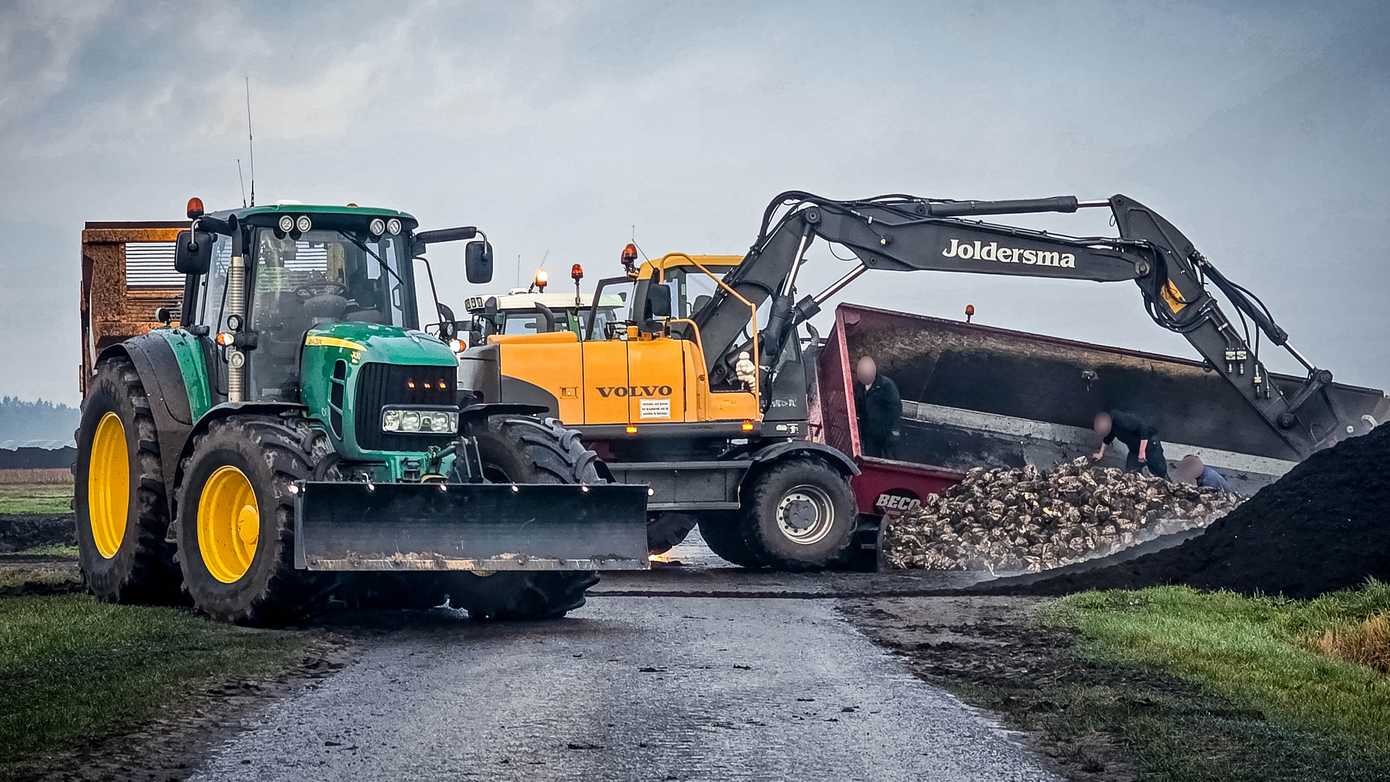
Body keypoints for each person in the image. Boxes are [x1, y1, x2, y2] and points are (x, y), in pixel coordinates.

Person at [1091, 409, 1169, 478]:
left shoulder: (1121, 419)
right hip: (1134, 450)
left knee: (1160, 471)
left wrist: (1142, 452)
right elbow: (1107, 439)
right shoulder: (1111, 428)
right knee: (1131, 474)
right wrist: (1100, 453)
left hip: (1150, 444)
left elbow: (1143, 428)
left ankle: (1168, 487)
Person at [853, 356, 902, 459]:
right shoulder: (859, 386)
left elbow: (895, 409)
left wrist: (894, 431)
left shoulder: (887, 385)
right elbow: (858, 405)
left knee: (890, 459)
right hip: (869, 432)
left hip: (886, 431)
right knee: (872, 458)